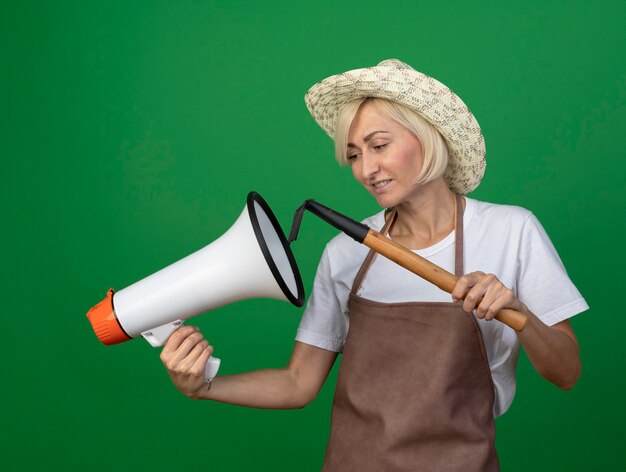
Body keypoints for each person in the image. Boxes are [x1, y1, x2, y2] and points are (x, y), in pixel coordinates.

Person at [160, 59, 588, 470]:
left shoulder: (511, 231)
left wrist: (519, 314)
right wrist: (205, 387)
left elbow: (567, 372)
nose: (366, 169)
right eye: (353, 155)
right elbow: (297, 383)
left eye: (380, 146)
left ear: (429, 135)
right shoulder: (346, 253)